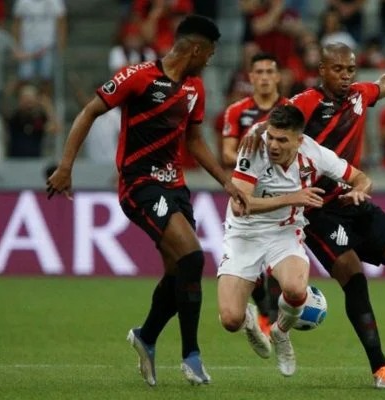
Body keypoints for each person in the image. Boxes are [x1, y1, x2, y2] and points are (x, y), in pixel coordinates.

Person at [46, 15, 248, 387]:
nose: (211, 60)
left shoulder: (194, 89)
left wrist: (226, 182)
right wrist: (65, 166)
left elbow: (194, 140)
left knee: (180, 272)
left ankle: (146, 336)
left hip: (176, 188)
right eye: (211, 53)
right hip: (139, 186)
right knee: (191, 255)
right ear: (197, 49)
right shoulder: (137, 77)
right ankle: (191, 356)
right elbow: (90, 111)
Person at [242, 43, 385, 389]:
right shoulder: (308, 101)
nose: (345, 76)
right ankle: (380, 368)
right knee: (354, 277)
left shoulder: (358, 95)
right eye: (338, 69)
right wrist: (252, 142)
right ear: (322, 70)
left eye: (350, 70)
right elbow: (274, 124)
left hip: (353, 200)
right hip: (317, 210)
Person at [218, 104, 372, 377]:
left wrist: (359, 191)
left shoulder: (316, 154)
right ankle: (251, 321)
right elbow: (241, 204)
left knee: (296, 290)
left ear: (299, 141)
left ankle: (281, 332)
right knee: (230, 320)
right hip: (244, 233)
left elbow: (361, 177)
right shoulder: (254, 148)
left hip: (284, 231)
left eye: (282, 140)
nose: (273, 145)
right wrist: (292, 198)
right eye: (271, 137)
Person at [222, 52, 288, 333]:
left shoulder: (290, 110)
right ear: (251, 78)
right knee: (251, 261)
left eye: (269, 71)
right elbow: (226, 152)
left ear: (277, 77)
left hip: (282, 191)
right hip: (246, 193)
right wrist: (256, 159)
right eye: (258, 72)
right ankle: (264, 310)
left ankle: (271, 316)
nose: (263, 77)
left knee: (278, 257)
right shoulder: (237, 111)